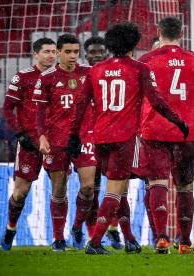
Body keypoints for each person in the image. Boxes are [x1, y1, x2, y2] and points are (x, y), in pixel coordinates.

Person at [70, 22, 188, 255]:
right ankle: (94, 242)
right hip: (125, 137)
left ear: (110, 45)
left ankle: (129, 238)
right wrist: (178, 121)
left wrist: (74, 135)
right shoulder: (139, 68)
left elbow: (81, 104)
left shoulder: (96, 70)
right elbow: (156, 101)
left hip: (100, 137)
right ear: (134, 43)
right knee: (115, 189)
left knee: (119, 187)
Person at [135, 16, 194, 254]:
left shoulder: (146, 60)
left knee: (157, 183)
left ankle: (162, 238)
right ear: (182, 32)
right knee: (185, 187)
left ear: (158, 32)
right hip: (187, 133)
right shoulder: (192, 59)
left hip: (154, 130)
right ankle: (185, 241)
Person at [32, 34, 94, 252]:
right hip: (56, 139)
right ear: (58, 52)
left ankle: (77, 227)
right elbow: (39, 112)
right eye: (68, 52)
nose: (72, 56)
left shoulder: (89, 73)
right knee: (59, 189)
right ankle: (58, 238)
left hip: (84, 136)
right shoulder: (47, 78)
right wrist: (41, 136)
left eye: (76, 52)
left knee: (88, 187)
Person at [0, 38, 57, 251]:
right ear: (36, 54)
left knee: (59, 190)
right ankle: (10, 229)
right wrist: (21, 134)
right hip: (29, 143)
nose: (51, 55)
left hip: (56, 144)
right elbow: (7, 108)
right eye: (46, 51)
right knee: (20, 192)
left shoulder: (60, 77)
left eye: (53, 51)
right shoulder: (23, 77)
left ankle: (61, 238)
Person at [82, 36, 124, 250]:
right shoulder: (82, 76)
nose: (97, 55)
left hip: (111, 137)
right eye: (93, 52)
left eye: (101, 51)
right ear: (85, 55)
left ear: (107, 53)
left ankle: (114, 228)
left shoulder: (114, 74)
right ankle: (89, 234)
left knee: (116, 187)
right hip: (86, 139)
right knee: (91, 189)